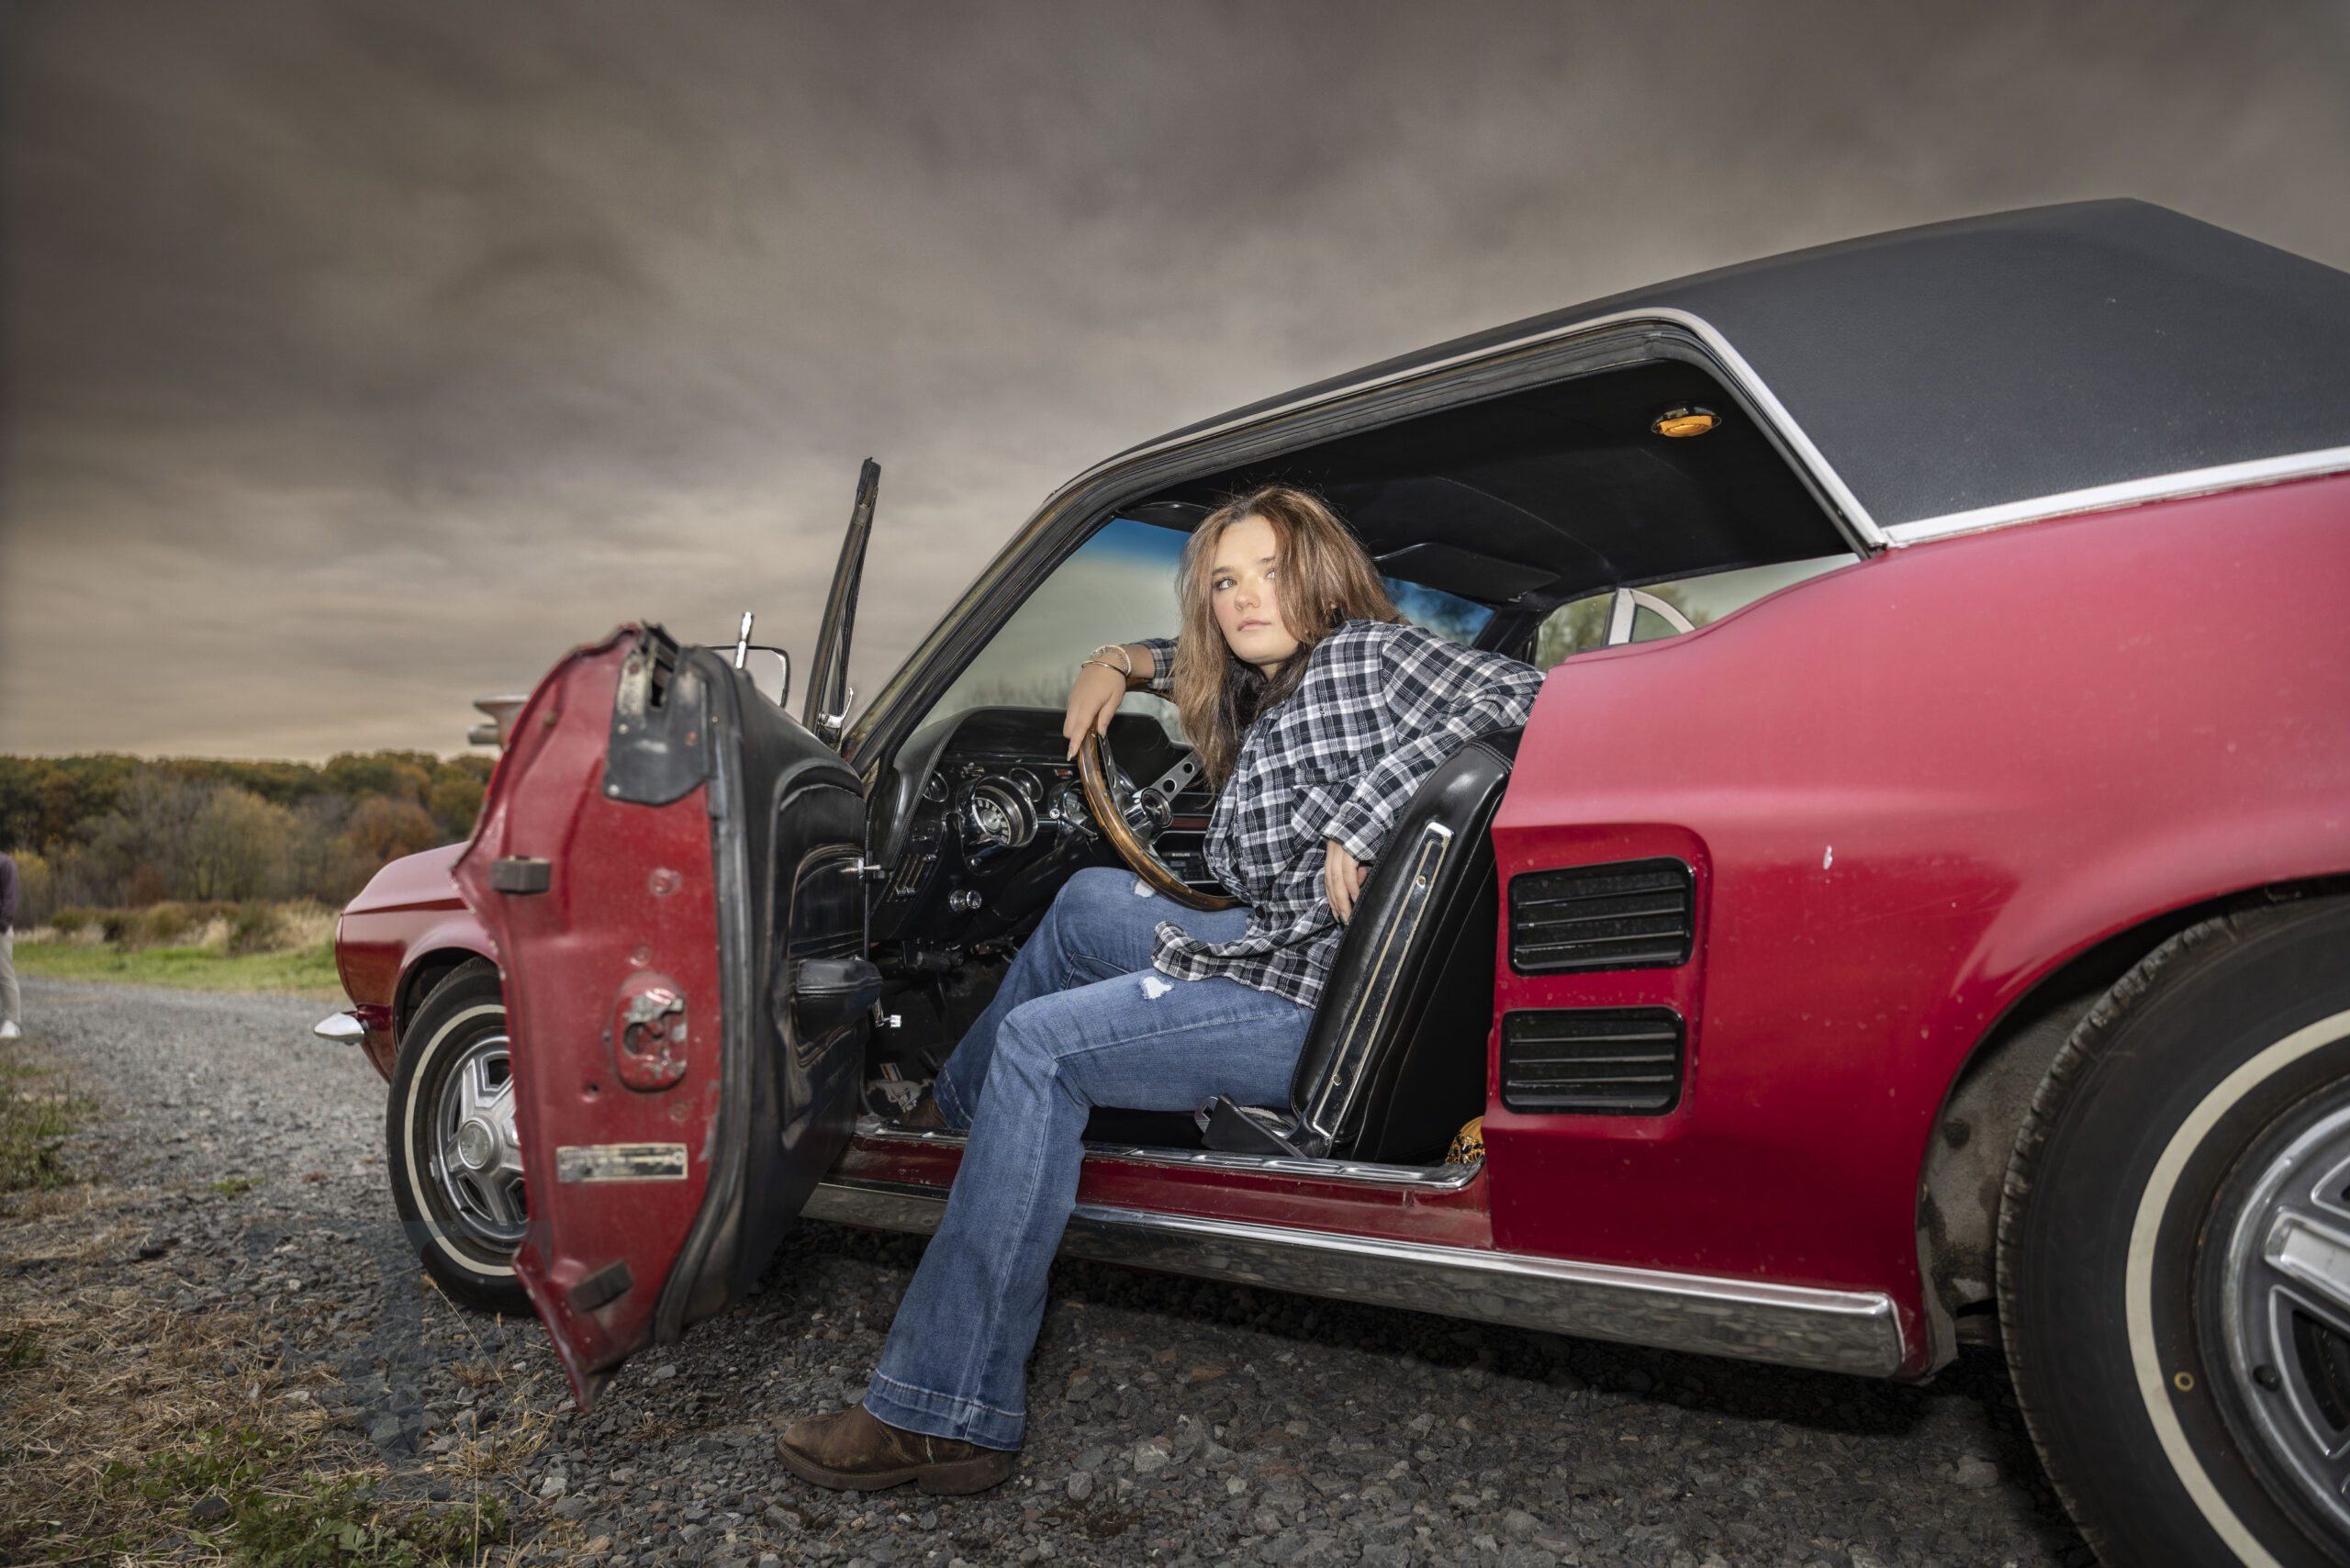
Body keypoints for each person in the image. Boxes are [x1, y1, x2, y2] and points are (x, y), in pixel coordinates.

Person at [774, 486, 1543, 1495]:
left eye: (1270, 572)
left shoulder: (1366, 656)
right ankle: (951, 1129)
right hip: (1287, 945)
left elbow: (1527, 698)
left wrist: (1363, 814)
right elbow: (1212, 659)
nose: (1244, 598)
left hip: (1310, 1001)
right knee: (1092, 898)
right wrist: (1120, 662)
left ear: (1320, 572)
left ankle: (944, 1411)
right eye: (1226, 581)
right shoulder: (1289, 677)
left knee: (1041, 1046)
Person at [0, 852, 19, 1040]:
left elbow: (11, 898)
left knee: (4, 974)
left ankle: (11, 1022)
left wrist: (3, 924)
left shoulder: (5, 864)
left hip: (0, 930)